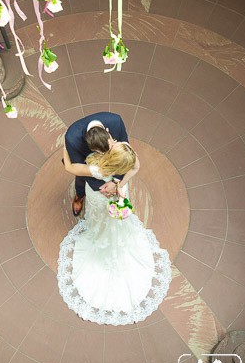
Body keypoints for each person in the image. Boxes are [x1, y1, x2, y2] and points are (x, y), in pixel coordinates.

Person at [58, 139, 172, 325]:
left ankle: (98, 233)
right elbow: (136, 166)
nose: (114, 141)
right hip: (120, 190)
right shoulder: (126, 159)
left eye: (114, 143)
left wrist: (66, 145)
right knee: (115, 224)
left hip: (99, 195)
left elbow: (70, 168)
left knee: (100, 220)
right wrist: (119, 185)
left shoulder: (97, 167)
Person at [63, 112, 130, 216]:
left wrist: (115, 182)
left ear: (108, 132)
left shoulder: (116, 122)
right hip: (86, 165)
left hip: (116, 172)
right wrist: (102, 188)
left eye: (111, 147)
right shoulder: (73, 139)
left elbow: (125, 155)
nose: (107, 155)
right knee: (80, 178)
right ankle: (80, 195)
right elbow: (77, 166)